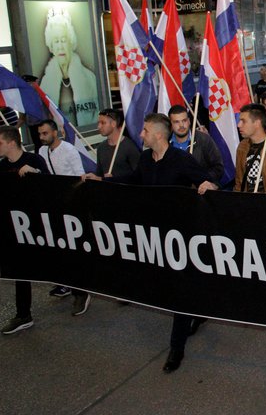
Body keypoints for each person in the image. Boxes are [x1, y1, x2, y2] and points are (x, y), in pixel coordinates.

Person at [85, 113, 215, 374]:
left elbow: (209, 180)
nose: (140, 134)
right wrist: (103, 181)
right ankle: (197, 311)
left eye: (144, 131)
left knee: (179, 289)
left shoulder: (181, 159)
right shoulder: (145, 159)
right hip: (153, 236)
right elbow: (132, 181)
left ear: (157, 135)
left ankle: (176, 348)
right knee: (169, 284)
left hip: (180, 236)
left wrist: (207, 185)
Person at [0, 126, 50, 334]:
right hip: (18, 225)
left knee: (55, 261)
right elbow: (0, 191)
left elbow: (51, 187)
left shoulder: (34, 160)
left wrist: (36, 174)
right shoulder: (3, 164)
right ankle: (23, 314)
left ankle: (78, 291)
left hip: (40, 225)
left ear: (12, 143)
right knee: (20, 267)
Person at [37, 119, 91, 314]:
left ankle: (82, 291)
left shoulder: (68, 150)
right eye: (40, 134)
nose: (42, 137)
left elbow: (80, 176)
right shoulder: (42, 152)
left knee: (73, 249)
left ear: (55, 132)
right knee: (59, 247)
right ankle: (65, 283)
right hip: (54, 207)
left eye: (45, 133)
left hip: (70, 206)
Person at [40, 8, 98, 126]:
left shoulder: (89, 77)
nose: (61, 46)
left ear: (71, 43)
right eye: (56, 41)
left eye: (64, 40)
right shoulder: (45, 84)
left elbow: (98, 111)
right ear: (51, 47)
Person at [168, 105, 224, 184]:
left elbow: (218, 168)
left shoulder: (204, 140)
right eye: (176, 122)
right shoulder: (166, 143)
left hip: (199, 191)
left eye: (184, 120)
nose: (181, 125)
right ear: (170, 124)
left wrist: (201, 180)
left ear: (189, 121)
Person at [94, 109, 140, 178]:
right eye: (98, 123)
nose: (99, 127)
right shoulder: (101, 148)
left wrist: (115, 179)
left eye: (103, 123)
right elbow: (99, 175)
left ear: (113, 124)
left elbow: (139, 176)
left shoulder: (129, 147)